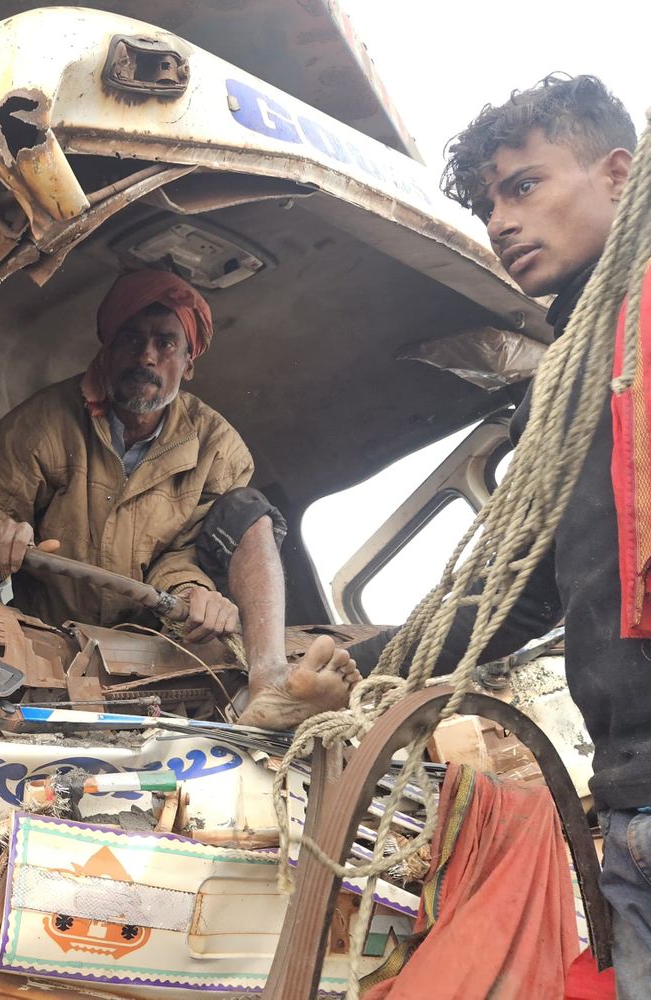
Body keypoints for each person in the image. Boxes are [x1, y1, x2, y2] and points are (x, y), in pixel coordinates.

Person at [371, 73, 643, 993]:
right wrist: (372, 673)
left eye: (523, 185)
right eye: (488, 202)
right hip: (633, 799)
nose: (499, 220)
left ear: (619, 174)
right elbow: (515, 586)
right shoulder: (567, 383)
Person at [0, 268, 359, 729]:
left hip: (161, 654)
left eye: (166, 343)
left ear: (189, 361)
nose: (147, 357)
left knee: (248, 509)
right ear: (108, 348)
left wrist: (193, 595)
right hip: (49, 646)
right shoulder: (41, 424)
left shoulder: (219, 448)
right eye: (131, 339)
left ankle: (269, 679)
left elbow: (183, 552)